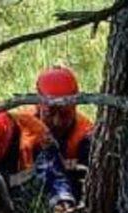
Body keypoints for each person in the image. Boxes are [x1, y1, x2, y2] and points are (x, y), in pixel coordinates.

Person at [33, 65, 94, 205]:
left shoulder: (87, 136)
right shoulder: (21, 127)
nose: (57, 122)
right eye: (50, 113)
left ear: (75, 106)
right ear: (38, 105)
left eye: (65, 114)